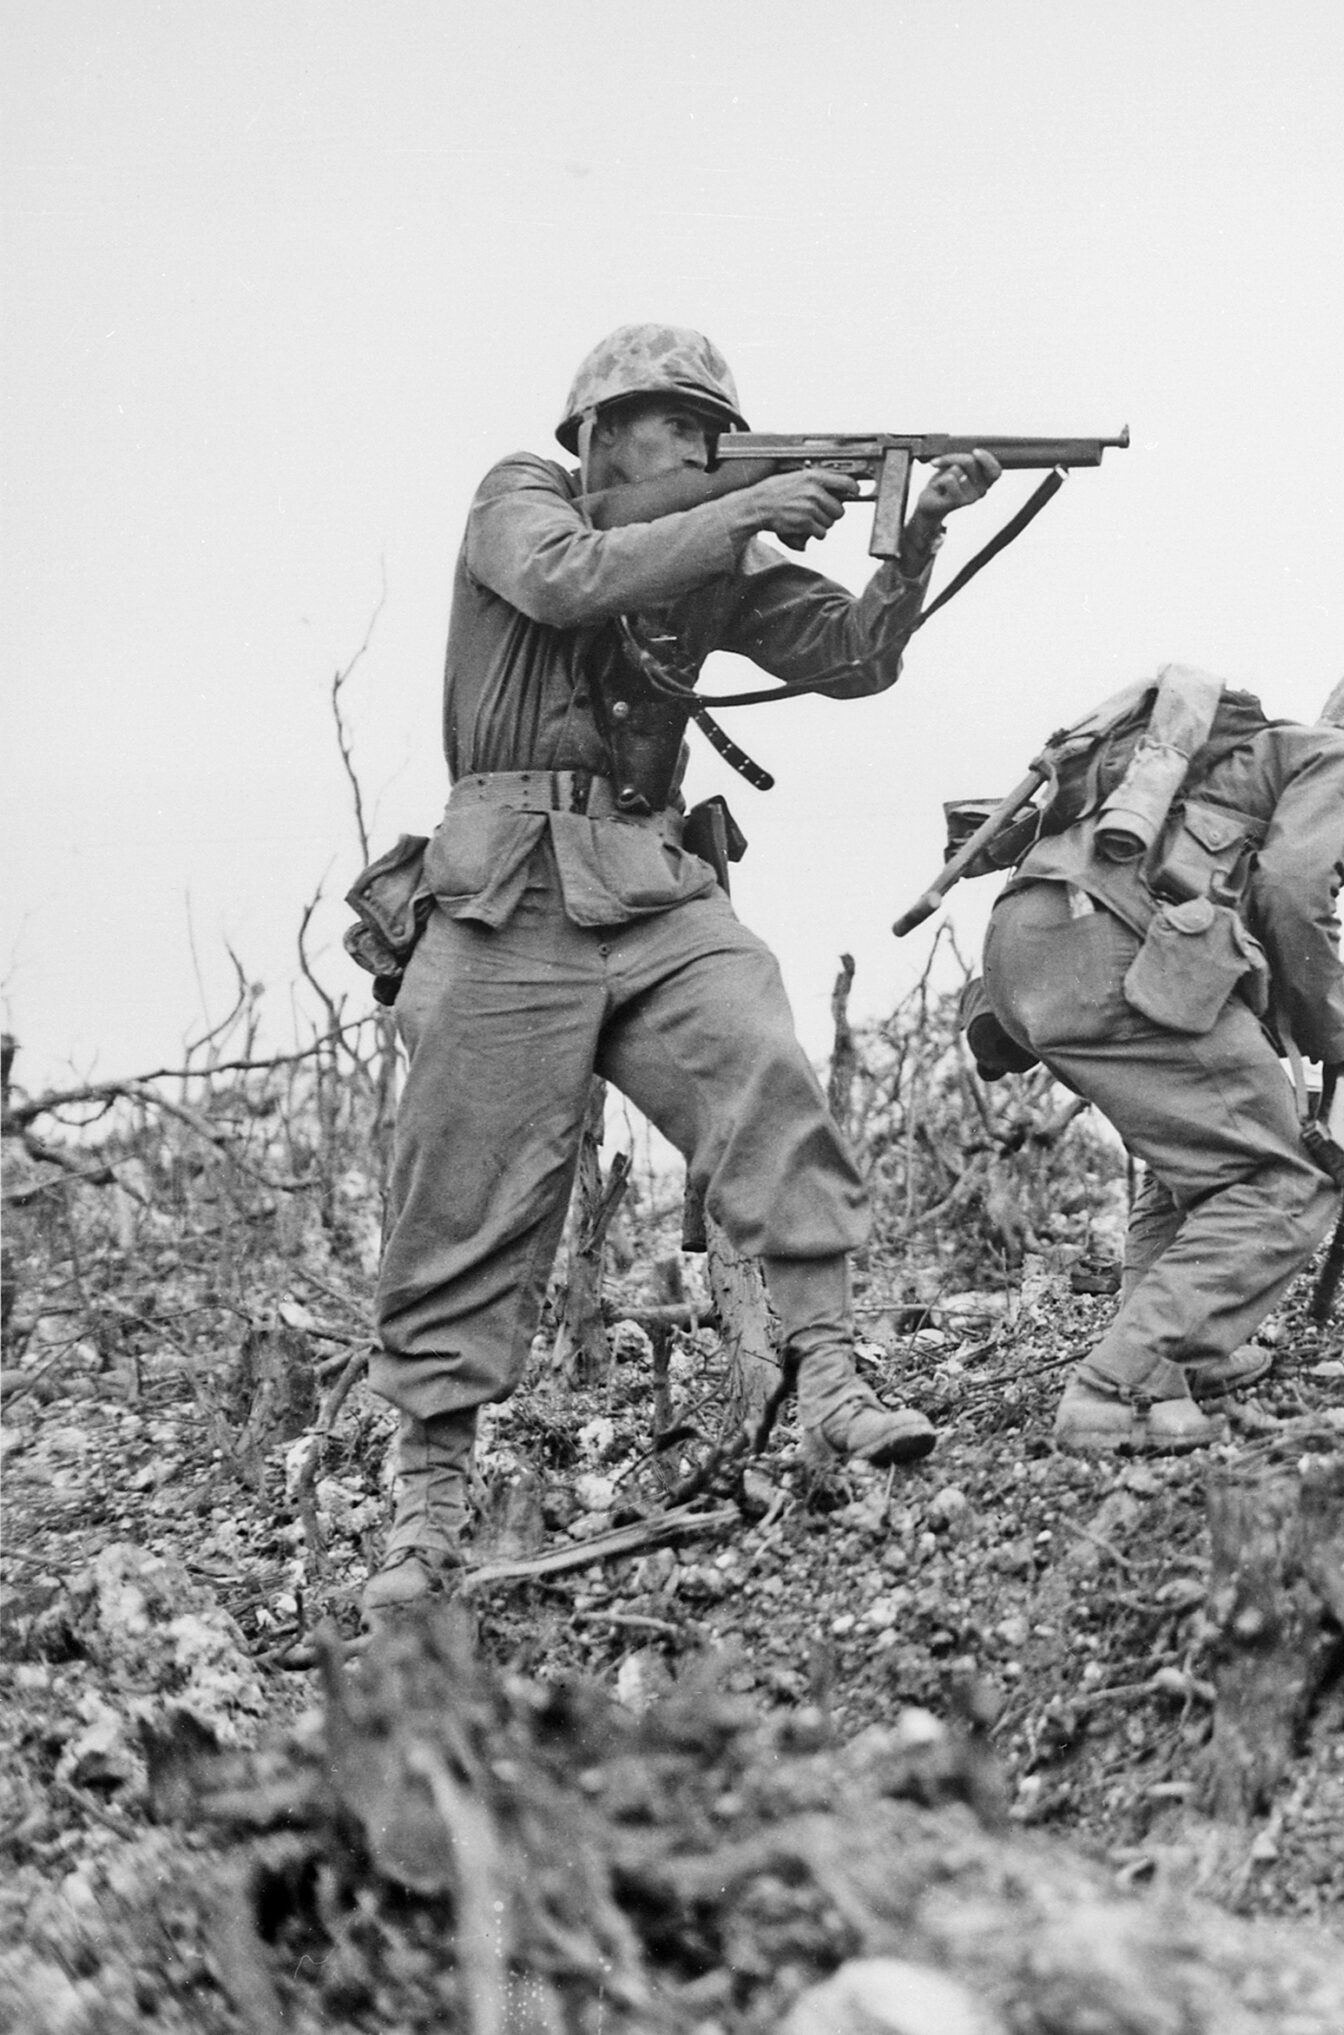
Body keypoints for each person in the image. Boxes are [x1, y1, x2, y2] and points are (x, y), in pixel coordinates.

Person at [360, 323, 1000, 1618]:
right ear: (600, 433)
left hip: (650, 880)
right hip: (507, 891)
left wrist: (915, 526)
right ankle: (425, 1512)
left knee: (763, 1065)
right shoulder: (522, 496)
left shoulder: (712, 552)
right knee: (465, 1184)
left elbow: (853, 656)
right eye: (678, 425)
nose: (707, 446)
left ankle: (826, 1373)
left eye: (719, 426)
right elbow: (562, 577)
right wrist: (747, 506)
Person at [978, 652, 1344, 1451]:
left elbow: (1254, 922)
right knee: (1284, 1176)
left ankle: (1178, 1356)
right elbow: (1291, 892)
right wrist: (1341, 1033)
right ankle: (1125, 1385)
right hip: (1110, 942)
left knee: (1206, 1159)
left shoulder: (1256, 772)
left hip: (1033, 942)